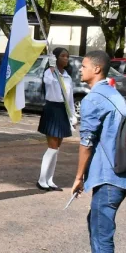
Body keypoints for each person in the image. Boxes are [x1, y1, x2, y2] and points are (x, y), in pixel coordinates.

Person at [69, 50, 126, 253]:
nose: (80, 69)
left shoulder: (94, 99)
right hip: (118, 172)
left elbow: (86, 142)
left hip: (111, 176)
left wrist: (78, 177)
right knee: (95, 221)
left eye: (84, 66)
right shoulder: (111, 93)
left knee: (102, 231)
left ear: (97, 69)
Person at [37, 47, 77, 191]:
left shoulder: (67, 76)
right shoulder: (49, 73)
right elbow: (48, 83)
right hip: (52, 110)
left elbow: (70, 98)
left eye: (67, 56)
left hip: (62, 111)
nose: (66, 58)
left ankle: (50, 179)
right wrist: (52, 66)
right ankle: (42, 180)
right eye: (63, 56)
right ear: (55, 58)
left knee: (57, 149)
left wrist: (73, 116)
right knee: (52, 148)